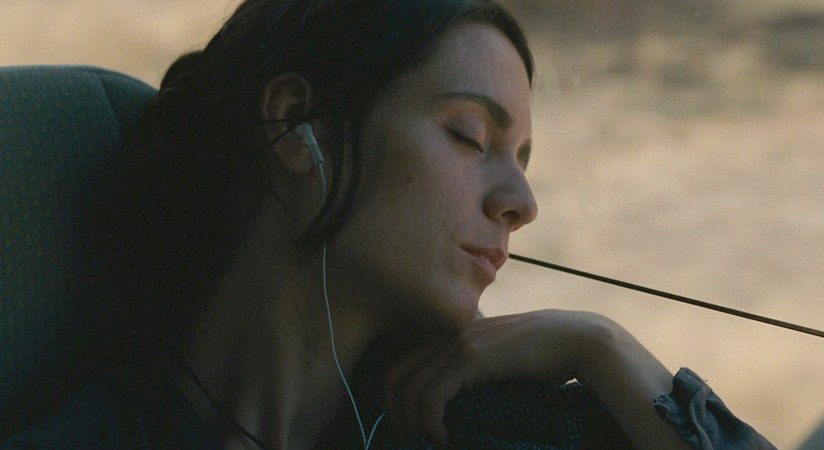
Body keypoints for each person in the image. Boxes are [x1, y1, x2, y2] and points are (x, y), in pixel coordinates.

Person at [2, 1, 775, 449]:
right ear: (297, 126)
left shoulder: (484, 426)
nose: (520, 201)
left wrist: (602, 348)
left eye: (522, 159)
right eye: (469, 135)